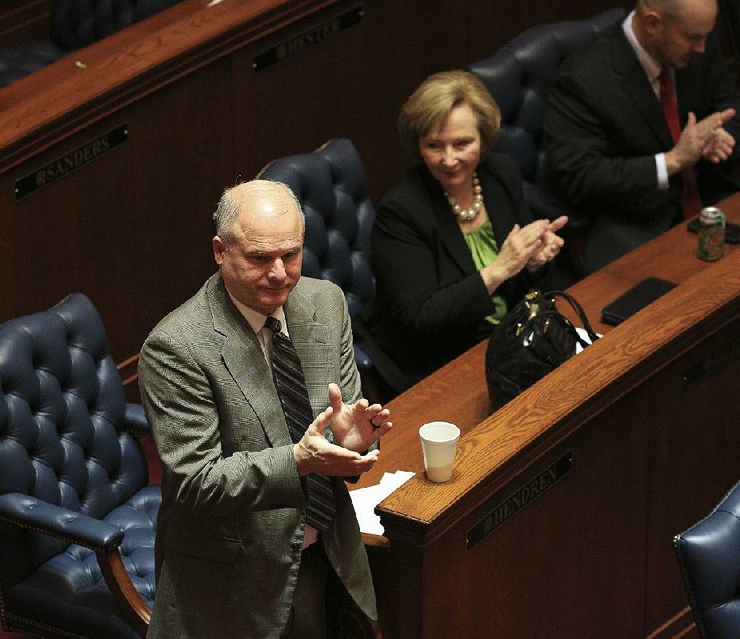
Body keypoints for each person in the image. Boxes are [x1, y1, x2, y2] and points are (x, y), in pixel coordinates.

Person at [138, 180, 393, 639]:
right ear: (220, 251)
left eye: (291, 255)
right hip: (238, 582)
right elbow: (196, 482)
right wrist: (298, 461)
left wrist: (350, 446)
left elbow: (336, 430)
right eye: (260, 258)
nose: (280, 273)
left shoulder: (325, 303)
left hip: (330, 552)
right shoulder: (176, 347)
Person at [370, 70, 568, 392]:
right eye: (434, 145)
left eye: (462, 143)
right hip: (441, 363)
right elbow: (418, 319)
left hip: (514, 339)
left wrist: (533, 264)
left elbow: (524, 282)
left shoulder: (501, 174)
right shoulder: (402, 211)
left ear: (484, 138)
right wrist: (500, 269)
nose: (449, 160)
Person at [544, 0, 740, 273]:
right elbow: (580, 176)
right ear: (652, 24)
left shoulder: (697, 42)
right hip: (637, 221)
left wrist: (719, 134)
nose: (702, 48)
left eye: (705, 36)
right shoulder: (583, 80)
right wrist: (673, 160)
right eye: (693, 38)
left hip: (712, 190)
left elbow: (730, 102)